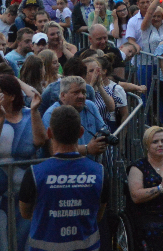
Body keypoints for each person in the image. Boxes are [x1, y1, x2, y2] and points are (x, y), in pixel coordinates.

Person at [19, 104, 108, 251]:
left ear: (49, 132)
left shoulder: (35, 173)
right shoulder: (100, 173)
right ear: (81, 132)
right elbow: (98, 215)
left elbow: (25, 213)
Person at [0, 74, 46, 251]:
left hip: (24, 192)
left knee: (24, 238)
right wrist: (0, 116)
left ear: (12, 95)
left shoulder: (27, 114)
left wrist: (34, 111)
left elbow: (40, 141)